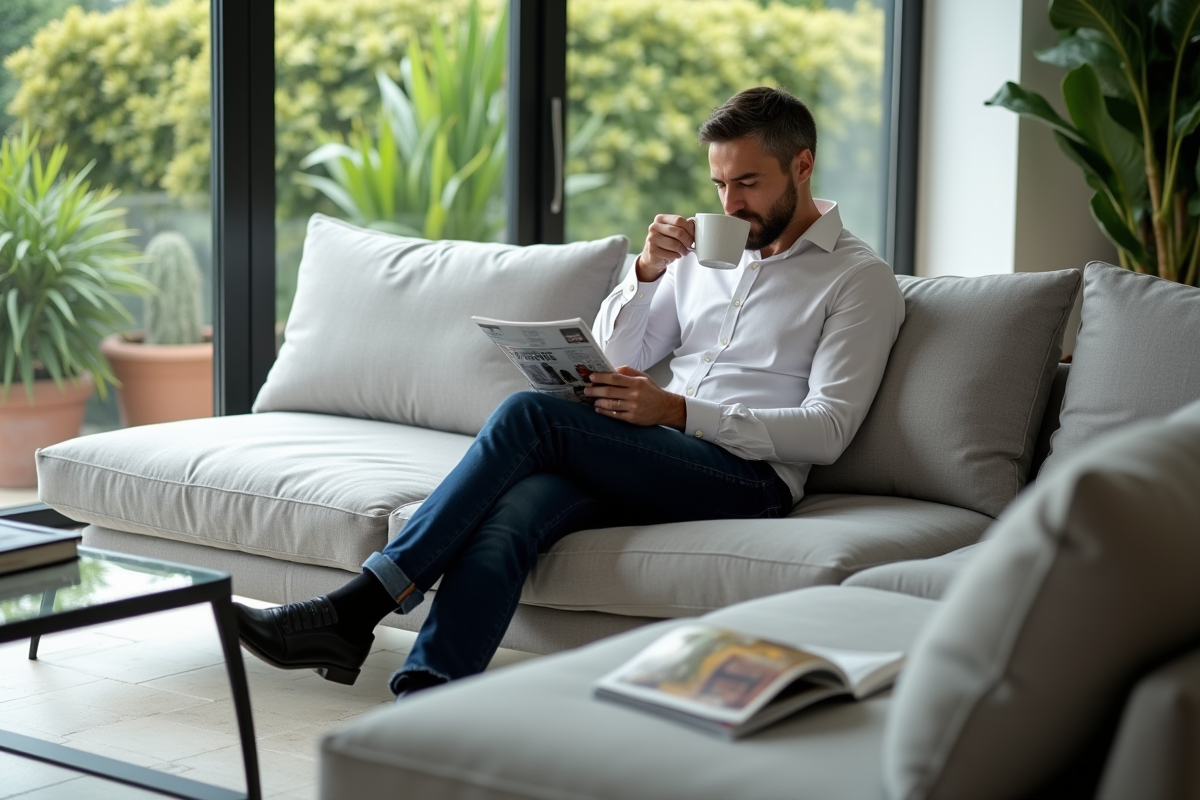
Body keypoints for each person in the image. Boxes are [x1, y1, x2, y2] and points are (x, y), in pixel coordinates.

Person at [233, 86, 905, 698]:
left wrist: (677, 410)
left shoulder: (856, 280)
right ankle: (429, 692)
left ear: (803, 166)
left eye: (748, 183)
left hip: (751, 478)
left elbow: (829, 427)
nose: (730, 204)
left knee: (533, 417)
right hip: (663, 452)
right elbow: (623, 353)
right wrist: (646, 274)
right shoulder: (706, 252)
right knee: (516, 512)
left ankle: (355, 609)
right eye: (719, 183)